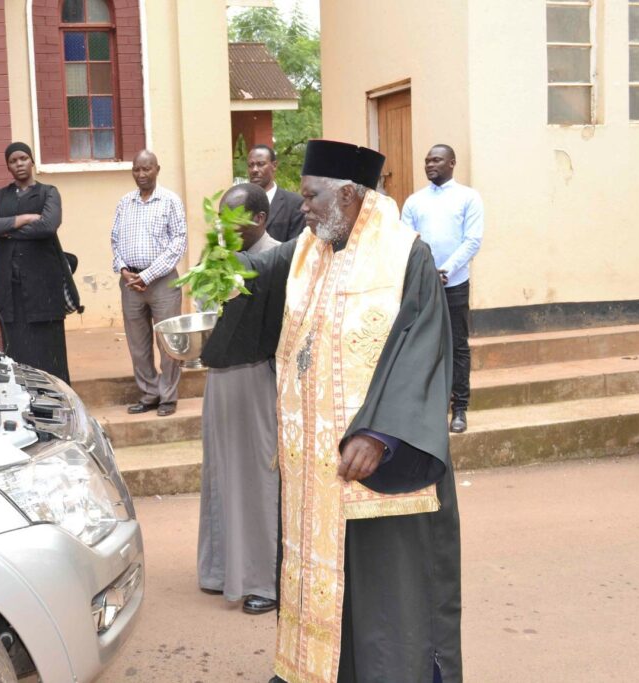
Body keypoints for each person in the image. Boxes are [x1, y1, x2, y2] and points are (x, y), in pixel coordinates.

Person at [207, 140, 461, 683]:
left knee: (382, 593)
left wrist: (380, 433)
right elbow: (257, 279)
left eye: (311, 196)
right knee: (319, 583)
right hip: (314, 473)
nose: (302, 206)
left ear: (348, 195)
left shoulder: (406, 255)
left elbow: (424, 349)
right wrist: (221, 269)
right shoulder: (307, 249)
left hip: (376, 466)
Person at [196, 183, 281, 615]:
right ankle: (221, 569)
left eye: (233, 221)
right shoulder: (216, 259)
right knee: (221, 470)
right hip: (221, 383)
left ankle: (264, 578)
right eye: (220, 221)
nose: (223, 229)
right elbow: (201, 312)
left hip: (261, 381)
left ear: (260, 219)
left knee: (257, 477)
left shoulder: (279, 259)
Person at [402, 144, 484, 433]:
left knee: (457, 346)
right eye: (427, 160)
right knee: (422, 345)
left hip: (454, 284)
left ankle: (459, 408)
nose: (429, 165)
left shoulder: (468, 198)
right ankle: (427, 409)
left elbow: (472, 240)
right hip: (422, 285)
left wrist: (446, 270)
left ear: (452, 163)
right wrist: (426, 272)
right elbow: (406, 240)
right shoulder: (414, 201)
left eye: (436, 160)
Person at [0, 141, 76, 384]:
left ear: (32, 161)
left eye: (23, 158)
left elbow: (48, 225)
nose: (19, 164)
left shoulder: (49, 192)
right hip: (10, 291)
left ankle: (57, 396)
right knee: (17, 355)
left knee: (51, 355)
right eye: (13, 161)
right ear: (8, 167)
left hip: (44, 290)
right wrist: (24, 218)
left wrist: (7, 231)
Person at [110, 150, 188, 417]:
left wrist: (148, 275)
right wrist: (123, 269)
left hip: (162, 282)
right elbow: (115, 240)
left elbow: (179, 243)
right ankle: (149, 393)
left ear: (157, 169)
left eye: (147, 169)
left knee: (168, 341)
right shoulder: (124, 203)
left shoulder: (170, 201)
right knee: (138, 344)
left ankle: (168, 396)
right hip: (130, 284)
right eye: (137, 169)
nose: (141, 174)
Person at [248, 144, 305, 241]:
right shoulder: (242, 203)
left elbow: (296, 245)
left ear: (274, 166)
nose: (254, 170)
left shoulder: (295, 203)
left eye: (261, 164)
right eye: (251, 165)